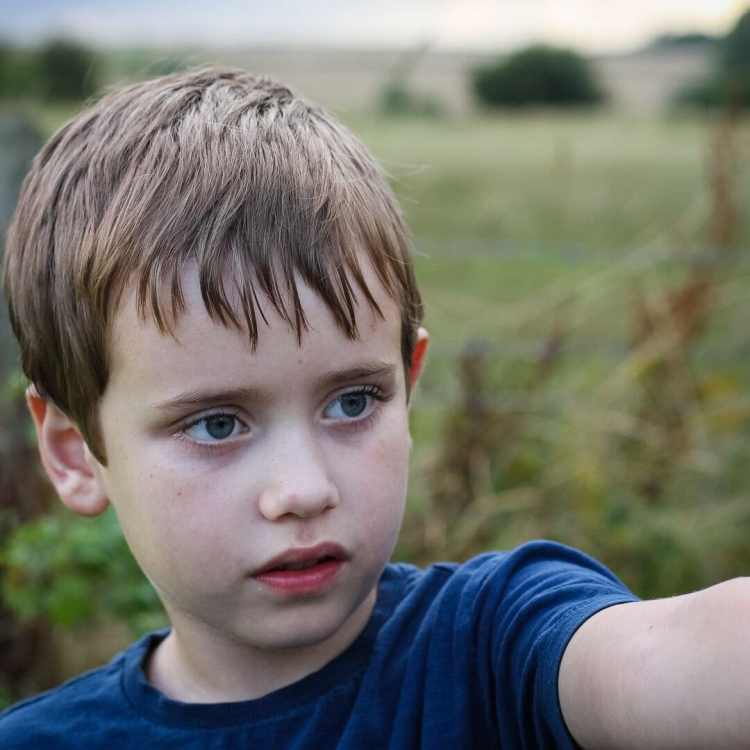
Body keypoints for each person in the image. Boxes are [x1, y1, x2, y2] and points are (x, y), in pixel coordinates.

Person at [0, 68, 748, 750]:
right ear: (74, 451)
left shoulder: (495, 648)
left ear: (408, 381)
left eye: (352, 401)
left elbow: (669, 661)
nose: (305, 489)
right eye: (217, 424)